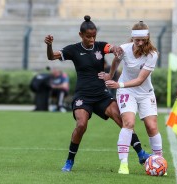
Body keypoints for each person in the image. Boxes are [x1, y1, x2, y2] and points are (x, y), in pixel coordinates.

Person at [44, 15, 150, 172]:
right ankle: (69, 161)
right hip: (83, 96)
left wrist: (116, 49)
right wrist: (49, 45)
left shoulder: (100, 46)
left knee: (122, 119)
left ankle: (141, 153)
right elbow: (51, 56)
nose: (92, 39)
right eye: (88, 36)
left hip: (102, 94)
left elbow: (111, 47)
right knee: (81, 125)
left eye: (94, 36)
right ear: (81, 35)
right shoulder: (73, 50)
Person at [98, 21, 163, 174]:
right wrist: (110, 75)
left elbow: (140, 80)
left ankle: (159, 162)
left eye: (143, 40)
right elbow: (116, 60)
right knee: (128, 123)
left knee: (152, 127)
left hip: (145, 92)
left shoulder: (152, 54)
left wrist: (118, 85)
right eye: (137, 40)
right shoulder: (124, 49)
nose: (140, 43)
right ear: (132, 38)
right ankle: (124, 164)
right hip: (127, 92)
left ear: (147, 38)